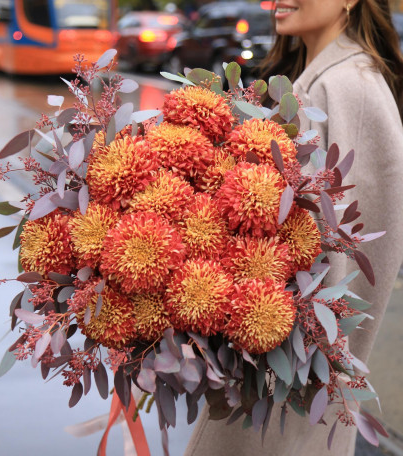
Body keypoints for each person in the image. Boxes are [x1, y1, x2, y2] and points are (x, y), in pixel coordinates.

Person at [184, 1, 403, 455]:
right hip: (285, 382)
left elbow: (335, 265)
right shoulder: (328, 79)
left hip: (286, 389)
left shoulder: (347, 88)